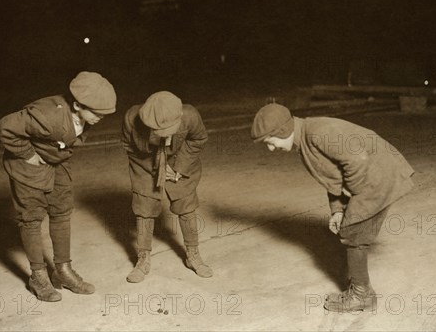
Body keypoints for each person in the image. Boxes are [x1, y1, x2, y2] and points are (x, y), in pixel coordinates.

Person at [251, 103, 416, 313]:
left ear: (282, 131)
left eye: (270, 142)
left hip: (378, 173)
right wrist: (337, 210)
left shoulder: (319, 132)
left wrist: (354, 198)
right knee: (350, 226)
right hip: (370, 173)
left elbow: (357, 160)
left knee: (353, 231)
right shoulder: (305, 139)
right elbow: (333, 177)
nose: (271, 148)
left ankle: (361, 295)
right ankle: (360, 290)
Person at [0, 71, 116, 302]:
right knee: (31, 219)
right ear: (76, 104)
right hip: (28, 168)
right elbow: (6, 127)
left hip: (56, 163)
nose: (100, 118)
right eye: (97, 113)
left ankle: (62, 271)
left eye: (104, 114)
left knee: (62, 213)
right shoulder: (46, 116)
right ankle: (38, 276)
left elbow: (68, 137)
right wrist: (28, 154)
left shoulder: (85, 116)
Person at [121, 91, 212, 283]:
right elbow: (128, 147)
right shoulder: (131, 118)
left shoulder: (190, 115)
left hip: (180, 160)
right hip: (146, 164)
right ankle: (143, 258)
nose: (166, 135)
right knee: (144, 208)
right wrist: (156, 168)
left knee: (186, 205)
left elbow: (198, 140)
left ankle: (193, 254)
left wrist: (179, 169)